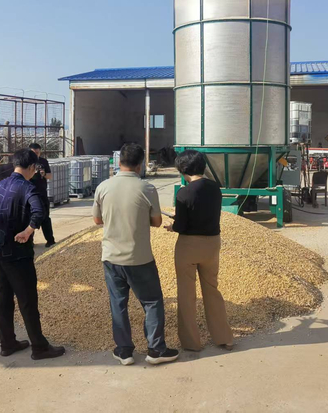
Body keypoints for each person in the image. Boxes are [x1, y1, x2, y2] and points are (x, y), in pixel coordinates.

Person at [92, 143, 179, 366]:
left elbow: (98, 220)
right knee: (152, 302)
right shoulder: (147, 189)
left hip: (111, 257)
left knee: (118, 304)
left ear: (119, 161)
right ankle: (156, 350)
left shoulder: (103, 187)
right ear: (140, 165)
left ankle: (124, 351)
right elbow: (157, 222)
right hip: (139, 258)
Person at [0, 149, 65, 360]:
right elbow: (39, 212)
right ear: (31, 167)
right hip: (18, 254)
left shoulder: (0, 185)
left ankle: (7, 343)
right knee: (27, 300)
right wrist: (28, 231)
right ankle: (39, 347)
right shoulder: (29, 188)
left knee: (4, 298)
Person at [164, 150, 233, 351]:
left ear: (182, 169)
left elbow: (181, 226)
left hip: (189, 245)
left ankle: (191, 343)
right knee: (212, 290)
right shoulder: (215, 188)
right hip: (212, 243)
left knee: (186, 294)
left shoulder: (184, 193)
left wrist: (172, 226)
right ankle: (224, 337)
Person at [29, 143, 55, 247]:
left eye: (38, 153)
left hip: (42, 192)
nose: (36, 154)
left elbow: (49, 176)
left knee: (45, 217)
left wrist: (43, 174)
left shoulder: (43, 162)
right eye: (34, 153)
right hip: (30, 193)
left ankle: (50, 240)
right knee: (30, 217)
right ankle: (29, 241)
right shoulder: (26, 162)